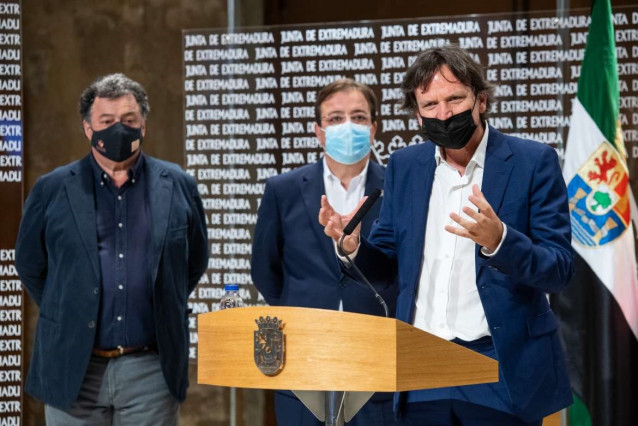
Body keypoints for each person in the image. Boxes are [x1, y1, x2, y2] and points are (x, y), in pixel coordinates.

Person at [320, 45, 574, 425]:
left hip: (500, 367)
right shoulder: (405, 166)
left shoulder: (532, 161)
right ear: (417, 112)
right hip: (422, 368)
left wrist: (500, 240)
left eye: (455, 99)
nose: (443, 114)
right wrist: (354, 248)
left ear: (481, 100)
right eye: (430, 104)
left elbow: (559, 269)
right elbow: (388, 265)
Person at [15, 73, 209, 425]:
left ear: (143, 126)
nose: (118, 129)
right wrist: (71, 306)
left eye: (129, 120)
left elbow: (194, 259)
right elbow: (29, 263)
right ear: (88, 129)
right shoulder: (52, 188)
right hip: (73, 367)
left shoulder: (178, 184)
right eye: (106, 122)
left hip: (151, 370)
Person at [251, 78, 397, 425]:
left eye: (358, 117)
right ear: (319, 131)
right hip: (304, 361)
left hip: (378, 362)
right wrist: (303, 313)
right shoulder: (282, 189)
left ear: (374, 128)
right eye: (335, 118)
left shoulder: (398, 187)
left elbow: (404, 267)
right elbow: (265, 269)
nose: (348, 125)